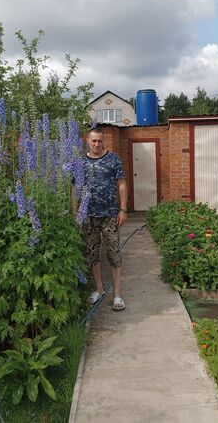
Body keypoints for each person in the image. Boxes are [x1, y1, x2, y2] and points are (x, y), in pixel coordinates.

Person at [81, 127, 128, 311]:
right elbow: (74, 188)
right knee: (92, 253)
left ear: (104, 141)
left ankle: (117, 295)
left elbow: (121, 184)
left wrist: (123, 209)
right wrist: (76, 213)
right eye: (93, 140)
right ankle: (99, 289)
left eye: (99, 141)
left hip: (110, 215)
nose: (96, 144)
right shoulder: (81, 162)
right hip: (89, 216)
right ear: (87, 141)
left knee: (113, 253)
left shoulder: (113, 158)